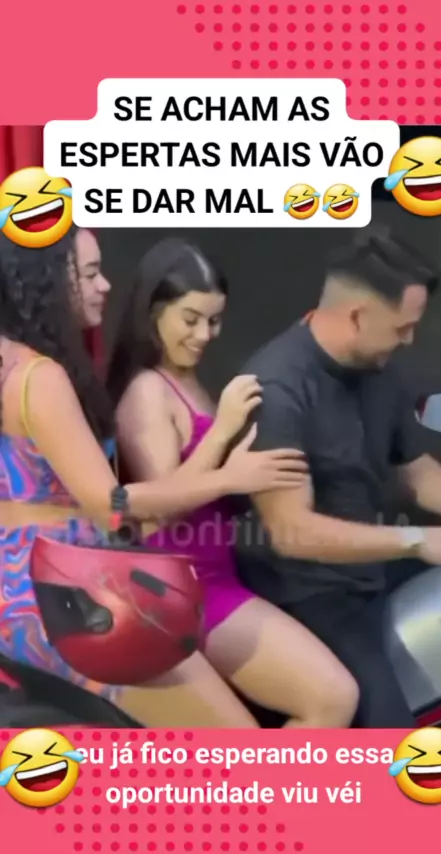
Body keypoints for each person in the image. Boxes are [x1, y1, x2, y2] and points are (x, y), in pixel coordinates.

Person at [0, 226, 311, 728]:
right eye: (91, 274)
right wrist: (228, 478)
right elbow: (111, 505)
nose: (105, 285)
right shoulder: (38, 378)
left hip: (20, 596)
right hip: (73, 598)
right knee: (242, 747)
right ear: (48, 281)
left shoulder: (9, 366)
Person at [107, 236, 359, 728]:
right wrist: (225, 444)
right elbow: (164, 506)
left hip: (220, 579)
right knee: (332, 699)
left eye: (214, 320)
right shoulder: (145, 390)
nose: (204, 334)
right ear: (152, 312)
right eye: (190, 319)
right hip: (189, 588)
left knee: (330, 699)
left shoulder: (186, 380)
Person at [237, 227, 441, 728]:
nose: (409, 339)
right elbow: (292, 532)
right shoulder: (279, 387)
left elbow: (417, 478)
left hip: (373, 573)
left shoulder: (378, 369)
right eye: (401, 328)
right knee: (397, 750)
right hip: (309, 597)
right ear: (358, 316)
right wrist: (422, 540)